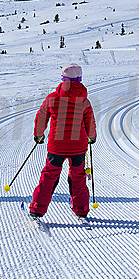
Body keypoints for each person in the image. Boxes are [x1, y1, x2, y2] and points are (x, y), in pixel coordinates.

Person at [29, 63, 96, 219]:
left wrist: (39, 135)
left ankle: (37, 209)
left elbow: (41, 118)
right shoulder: (84, 101)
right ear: (80, 79)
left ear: (63, 79)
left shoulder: (52, 98)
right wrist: (92, 137)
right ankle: (81, 209)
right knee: (78, 177)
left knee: (49, 176)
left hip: (56, 147)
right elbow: (90, 122)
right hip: (78, 148)